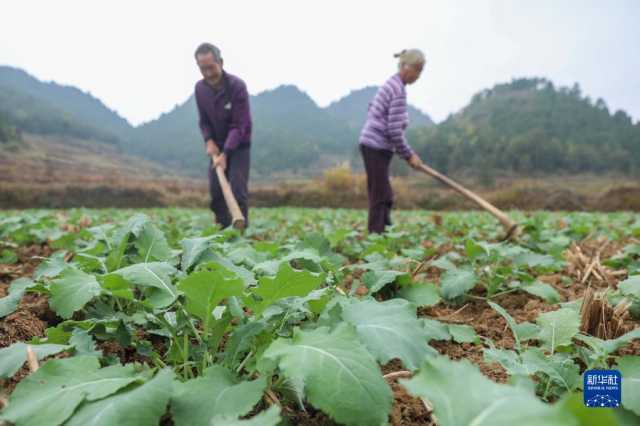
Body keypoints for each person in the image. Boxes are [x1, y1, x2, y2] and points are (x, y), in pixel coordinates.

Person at [359, 49, 426, 234]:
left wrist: (404, 152)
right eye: (417, 70)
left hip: (377, 146)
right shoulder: (397, 90)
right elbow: (394, 130)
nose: (418, 75)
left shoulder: (393, 85)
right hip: (375, 146)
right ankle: (376, 239)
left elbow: (374, 110)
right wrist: (409, 155)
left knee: (385, 194)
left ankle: (384, 232)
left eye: (421, 71)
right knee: (379, 195)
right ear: (405, 67)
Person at [194, 43, 252, 228]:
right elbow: (203, 120)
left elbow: (239, 125)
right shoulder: (200, 89)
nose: (208, 73)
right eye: (203, 69)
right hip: (217, 146)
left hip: (239, 145)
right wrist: (208, 140)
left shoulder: (237, 87)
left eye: (211, 67)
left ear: (221, 62)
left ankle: (240, 236)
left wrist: (226, 153)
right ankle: (222, 231)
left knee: (237, 189)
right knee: (216, 191)